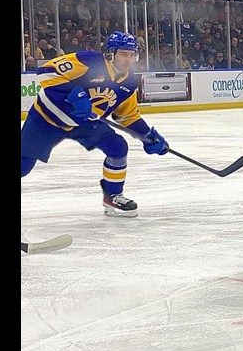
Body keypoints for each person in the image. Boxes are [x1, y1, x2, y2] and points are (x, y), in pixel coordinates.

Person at [21, 31, 169, 218]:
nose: (128, 59)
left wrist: (147, 135)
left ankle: (112, 195)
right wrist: (73, 93)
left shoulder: (130, 82)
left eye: (132, 54)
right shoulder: (88, 61)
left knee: (117, 147)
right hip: (47, 118)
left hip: (84, 123)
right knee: (23, 166)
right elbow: (47, 71)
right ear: (110, 53)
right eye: (124, 54)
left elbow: (127, 116)